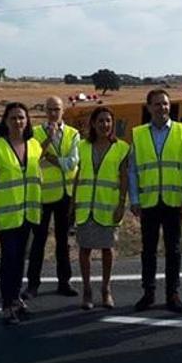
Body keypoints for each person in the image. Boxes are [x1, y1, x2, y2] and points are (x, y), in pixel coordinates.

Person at [129, 89, 182, 313]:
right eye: (158, 104)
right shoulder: (139, 134)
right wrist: (135, 199)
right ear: (148, 107)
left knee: (173, 250)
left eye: (166, 104)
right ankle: (148, 292)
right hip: (149, 203)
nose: (163, 108)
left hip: (173, 202)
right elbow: (133, 171)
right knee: (148, 250)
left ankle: (173, 294)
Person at [0, 102, 43, 325]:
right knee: (9, 259)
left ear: (27, 121)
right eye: (13, 118)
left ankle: (16, 298)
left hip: (28, 213)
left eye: (22, 118)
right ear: (5, 121)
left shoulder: (35, 145)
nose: (18, 122)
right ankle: (7, 304)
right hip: (7, 215)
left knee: (20, 260)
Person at [71, 107, 130, 310]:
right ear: (93, 124)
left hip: (108, 207)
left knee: (107, 249)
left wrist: (122, 203)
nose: (105, 125)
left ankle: (106, 290)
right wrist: (73, 203)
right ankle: (87, 291)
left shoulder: (122, 147)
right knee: (84, 249)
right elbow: (78, 176)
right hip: (85, 207)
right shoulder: (82, 146)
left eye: (108, 121)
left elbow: (124, 178)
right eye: (101, 121)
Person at [24, 96, 80, 298]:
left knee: (63, 241)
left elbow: (71, 163)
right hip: (43, 195)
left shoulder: (73, 134)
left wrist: (50, 157)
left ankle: (64, 282)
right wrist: (48, 140)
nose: (53, 113)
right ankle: (32, 285)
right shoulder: (36, 134)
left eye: (57, 109)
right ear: (44, 111)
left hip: (65, 195)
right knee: (38, 242)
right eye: (50, 109)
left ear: (63, 111)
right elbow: (33, 158)